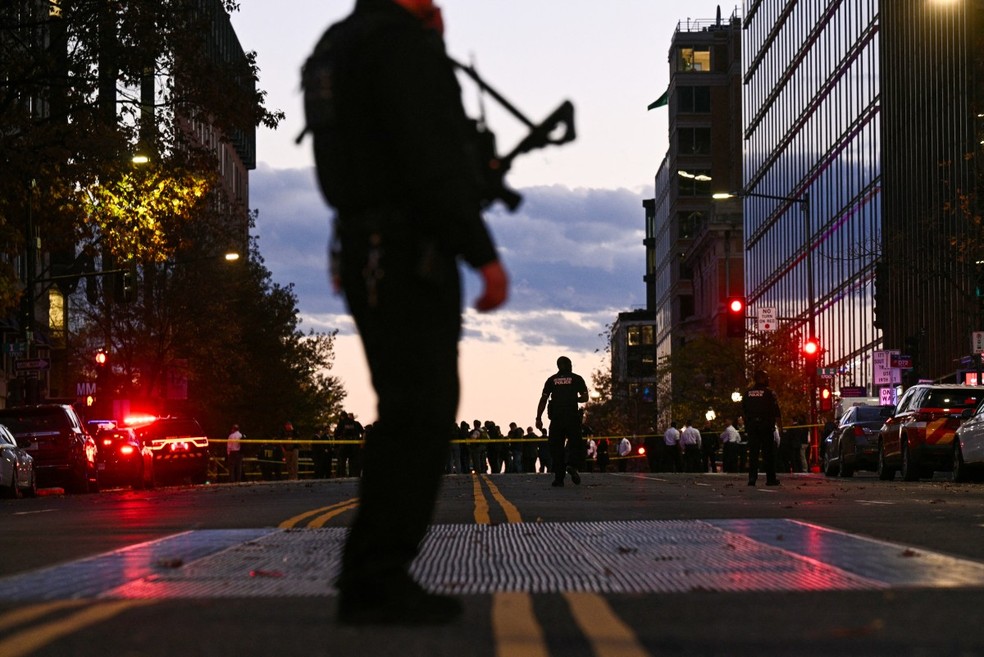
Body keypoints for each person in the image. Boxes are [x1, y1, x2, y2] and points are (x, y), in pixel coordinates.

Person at [305, 0, 509, 625]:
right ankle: (376, 574)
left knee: (404, 408)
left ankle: (373, 570)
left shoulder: (333, 48)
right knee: (420, 410)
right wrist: (483, 254)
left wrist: (344, 242)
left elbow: (347, 160)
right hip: (411, 251)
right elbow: (431, 159)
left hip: (366, 246)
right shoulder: (402, 47)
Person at [535, 356, 589, 487]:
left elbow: (543, 400)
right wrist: (575, 400)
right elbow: (585, 397)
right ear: (570, 365)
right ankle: (572, 465)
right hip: (572, 417)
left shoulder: (551, 380)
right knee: (576, 444)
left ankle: (559, 478)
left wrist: (538, 418)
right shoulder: (577, 379)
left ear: (558, 366)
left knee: (556, 448)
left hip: (557, 419)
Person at [743, 370, 783, 486]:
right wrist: (780, 427)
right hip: (766, 426)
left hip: (752, 427)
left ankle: (752, 478)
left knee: (753, 454)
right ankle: (770, 479)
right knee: (768, 454)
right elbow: (776, 412)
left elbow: (744, 410)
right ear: (763, 379)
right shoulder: (769, 393)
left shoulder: (748, 393)